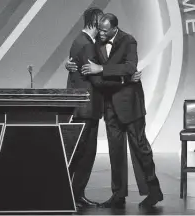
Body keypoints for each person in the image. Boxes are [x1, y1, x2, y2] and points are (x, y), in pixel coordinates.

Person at [65, 8, 147, 209]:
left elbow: (107, 67)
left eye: (105, 27)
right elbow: (98, 81)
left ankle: (74, 193)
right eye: (100, 25)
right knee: (83, 154)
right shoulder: (86, 44)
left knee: (82, 153)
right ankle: (72, 194)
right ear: (94, 22)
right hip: (87, 107)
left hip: (92, 107)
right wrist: (127, 80)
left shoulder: (88, 42)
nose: (102, 31)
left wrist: (124, 73)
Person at [81, 13, 163, 208]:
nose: (100, 33)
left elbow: (130, 67)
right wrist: (123, 79)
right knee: (115, 152)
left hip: (130, 105)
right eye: (99, 29)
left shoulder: (128, 41)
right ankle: (118, 194)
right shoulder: (96, 44)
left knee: (141, 148)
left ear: (114, 29)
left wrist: (102, 69)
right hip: (110, 106)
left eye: (104, 30)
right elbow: (97, 73)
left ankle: (154, 190)